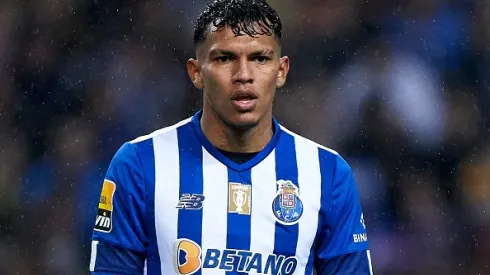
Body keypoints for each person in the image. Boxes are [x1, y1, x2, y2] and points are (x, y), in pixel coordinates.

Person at [89, 0, 373, 274]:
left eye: (259, 58)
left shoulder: (327, 174)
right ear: (196, 72)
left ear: (281, 70)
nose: (243, 75)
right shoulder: (139, 164)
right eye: (225, 58)